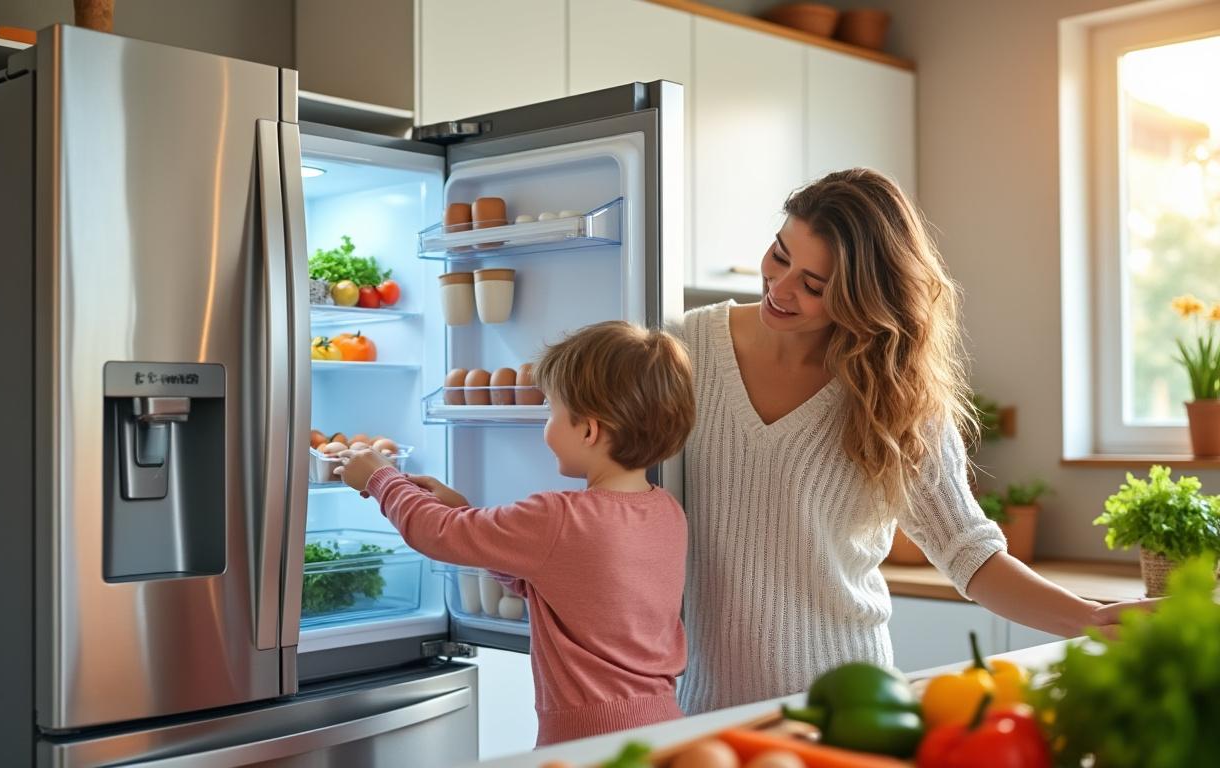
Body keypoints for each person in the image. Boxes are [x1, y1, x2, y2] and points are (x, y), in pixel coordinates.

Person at [676, 168, 1151, 714]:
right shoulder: (686, 346)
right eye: (780, 255)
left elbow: (967, 550)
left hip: (852, 705)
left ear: (861, 297)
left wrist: (1089, 619)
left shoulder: (894, 395)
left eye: (813, 285)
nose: (779, 289)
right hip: (701, 709)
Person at [336, 320, 696, 745]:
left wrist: (381, 477)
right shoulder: (666, 511)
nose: (546, 421)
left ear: (588, 430)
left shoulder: (557, 516)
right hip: (665, 724)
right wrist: (465, 512)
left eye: (551, 410)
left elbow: (434, 532)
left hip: (588, 740)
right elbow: (559, 584)